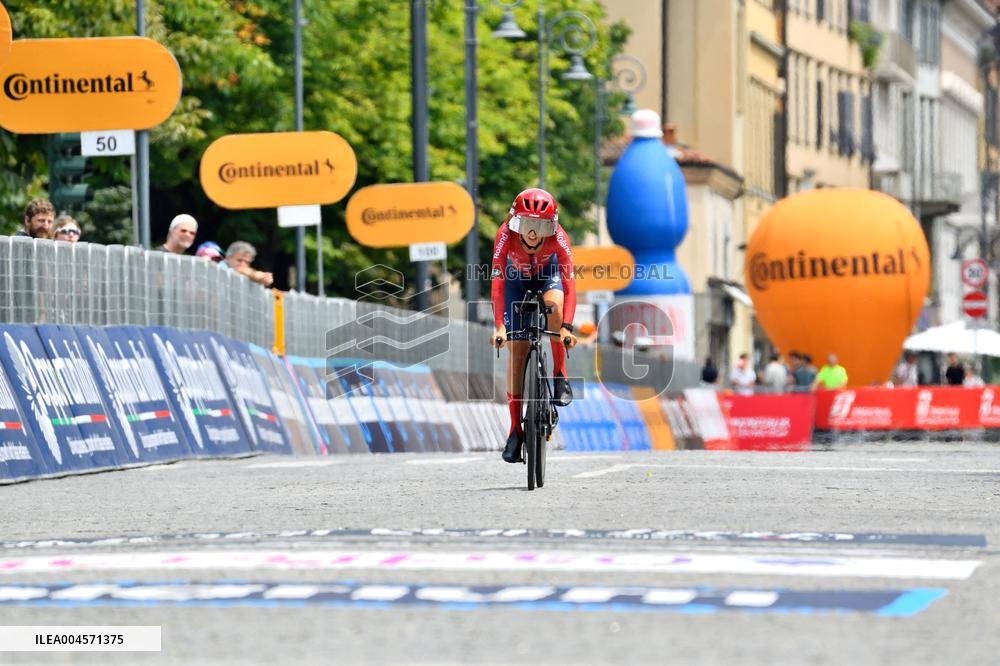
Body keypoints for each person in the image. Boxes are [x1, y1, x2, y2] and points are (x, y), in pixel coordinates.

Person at [489, 188, 577, 464]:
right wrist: (500, 327)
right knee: (516, 354)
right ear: (515, 222)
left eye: (540, 226)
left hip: (548, 276)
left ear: (552, 226)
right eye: (526, 225)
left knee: (554, 306)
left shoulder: (560, 239)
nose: (532, 234)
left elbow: (570, 285)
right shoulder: (504, 235)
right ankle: (515, 430)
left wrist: (567, 328)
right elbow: (498, 283)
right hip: (515, 281)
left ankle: (559, 373)